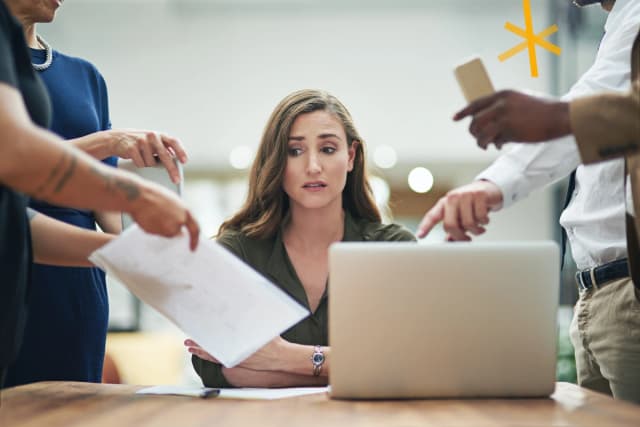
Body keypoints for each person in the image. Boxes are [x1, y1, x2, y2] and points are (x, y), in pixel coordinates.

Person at [418, 0, 640, 403]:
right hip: (597, 296)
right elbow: (594, 115)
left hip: (629, 292)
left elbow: (601, 112)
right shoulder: (620, 26)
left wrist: (554, 117)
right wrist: (491, 183)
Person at [0, 0, 199, 388]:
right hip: (19, 264)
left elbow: (101, 204)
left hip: (74, 278)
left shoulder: (85, 76)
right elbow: (17, 159)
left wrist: (130, 254)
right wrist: (129, 180)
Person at [185, 89, 415, 388]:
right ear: (277, 162)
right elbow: (213, 367)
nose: (313, 166)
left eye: (328, 149)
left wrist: (280, 356)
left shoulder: (394, 249)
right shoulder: (237, 251)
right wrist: (348, 366)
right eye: (294, 151)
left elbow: (406, 359)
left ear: (351, 156)